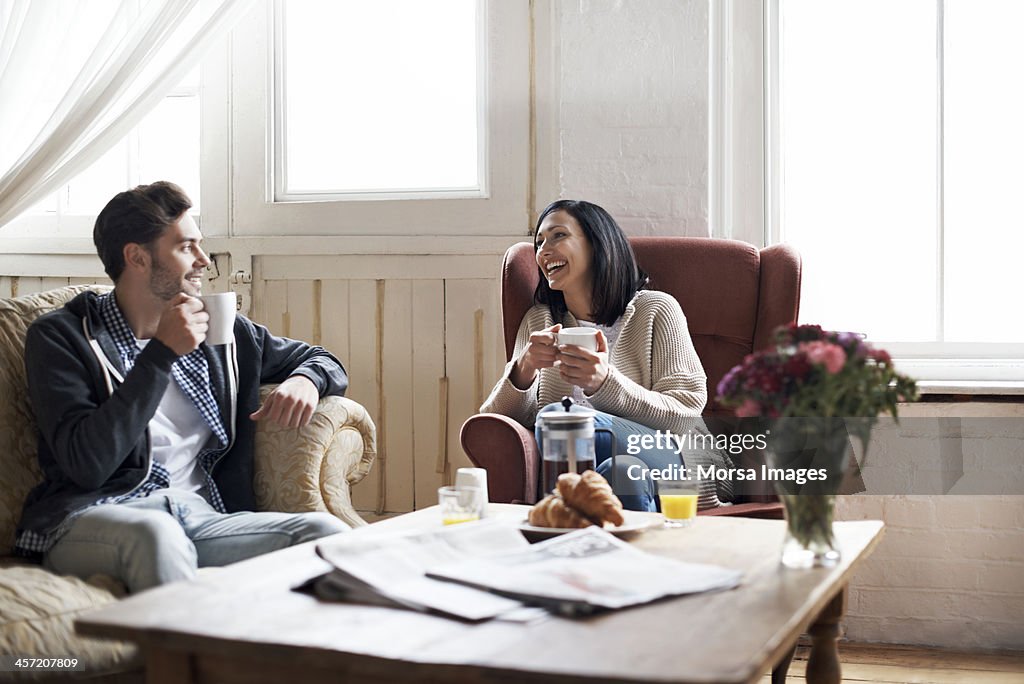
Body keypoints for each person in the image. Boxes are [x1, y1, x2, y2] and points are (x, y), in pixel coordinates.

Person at [14, 181, 350, 593]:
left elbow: (321, 359)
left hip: (199, 514)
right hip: (94, 516)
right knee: (156, 533)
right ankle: (189, 655)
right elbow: (88, 464)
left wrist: (306, 380)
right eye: (186, 247)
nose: (204, 260)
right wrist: (161, 352)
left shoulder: (218, 328)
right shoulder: (63, 336)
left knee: (324, 534)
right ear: (137, 257)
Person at [480, 199, 733, 511]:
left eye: (559, 235)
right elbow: (492, 423)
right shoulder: (539, 321)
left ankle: (560, 515)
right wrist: (525, 367)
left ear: (598, 244)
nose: (543, 251)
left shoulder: (656, 309)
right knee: (622, 472)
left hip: (672, 456)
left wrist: (605, 384)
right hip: (617, 470)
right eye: (540, 241)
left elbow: (685, 413)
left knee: (560, 419)